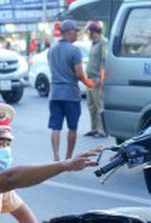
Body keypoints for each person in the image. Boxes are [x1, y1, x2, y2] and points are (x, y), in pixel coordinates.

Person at [48, 20, 94, 162]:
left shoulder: (51, 50)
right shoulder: (74, 51)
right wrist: (89, 83)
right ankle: (68, 158)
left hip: (54, 94)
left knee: (56, 127)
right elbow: (79, 74)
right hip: (70, 95)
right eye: (75, 31)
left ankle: (56, 157)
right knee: (72, 127)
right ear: (67, 31)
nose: (77, 34)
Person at [83, 21, 108, 139]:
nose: (88, 34)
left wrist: (101, 78)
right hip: (89, 79)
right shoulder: (93, 43)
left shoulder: (103, 42)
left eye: (89, 32)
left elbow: (104, 61)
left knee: (99, 106)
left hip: (96, 78)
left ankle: (102, 130)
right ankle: (94, 129)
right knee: (91, 105)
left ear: (94, 32)